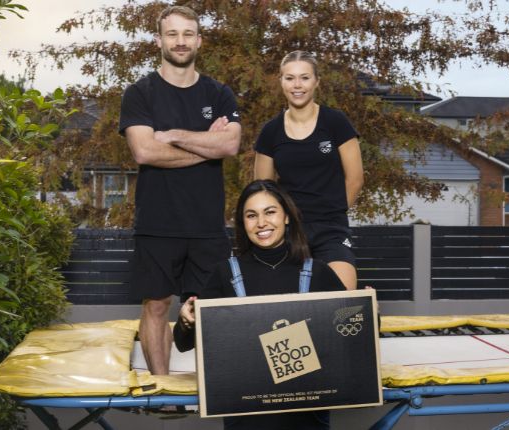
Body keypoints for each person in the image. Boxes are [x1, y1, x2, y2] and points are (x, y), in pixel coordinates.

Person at [118, 5, 241, 375]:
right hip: (157, 222)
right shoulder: (139, 93)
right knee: (156, 306)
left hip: (207, 226)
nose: (180, 41)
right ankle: (160, 390)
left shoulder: (219, 94)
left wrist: (172, 137)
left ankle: (215, 388)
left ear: (199, 40)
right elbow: (144, 150)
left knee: (213, 310)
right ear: (159, 41)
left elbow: (230, 147)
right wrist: (206, 146)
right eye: (172, 34)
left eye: (188, 34)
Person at [174, 179, 345, 430]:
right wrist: (186, 321)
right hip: (245, 416)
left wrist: (369, 313)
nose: (261, 223)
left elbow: (352, 336)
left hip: (307, 417)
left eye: (270, 212)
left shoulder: (318, 272)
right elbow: (182, 342)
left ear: (287, 217)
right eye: (251, 215)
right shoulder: (224, 274)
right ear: (243, 224)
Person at [253, 50, 364, 290]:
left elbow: (355, 179)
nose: (297, 85)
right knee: (284, 306)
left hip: (330, 230)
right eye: (289, 78)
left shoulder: (335, 122)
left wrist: (332, 211)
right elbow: (262, 191)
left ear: (316, 81)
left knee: (343, 300)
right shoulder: (271, 131)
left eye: (304, 77)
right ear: (281, 81)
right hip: (288, 233)